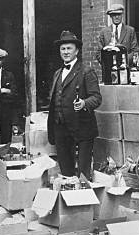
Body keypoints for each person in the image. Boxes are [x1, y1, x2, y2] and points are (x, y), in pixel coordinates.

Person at [48, 31, 102, 179]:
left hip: (81, 127)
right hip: (61, 128)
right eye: (63, 49)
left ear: (77, 50)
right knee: (66, 171)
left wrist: (84, 103)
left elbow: (97, 98)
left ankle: (84, 199)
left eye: (69, 48)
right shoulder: (57, 73)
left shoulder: (86, 71)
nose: (65, 52)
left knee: (83, 174)